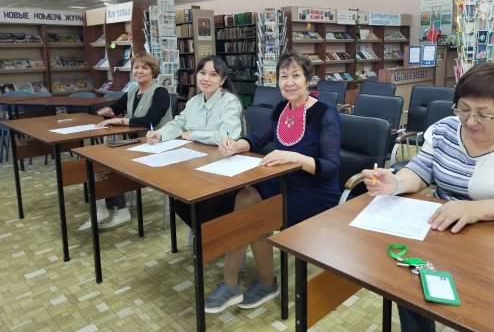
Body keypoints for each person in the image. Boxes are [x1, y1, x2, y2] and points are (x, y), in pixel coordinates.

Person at [362, 63, 494, 332]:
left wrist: (473, 209)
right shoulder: (445, 129)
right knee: (409, 290)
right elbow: (420, 171)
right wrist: (396, 182)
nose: (470, 121)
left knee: (489, 310)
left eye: (484, 115)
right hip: (444, 233)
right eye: (464, 109)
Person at [206, 51, 341, 314]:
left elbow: (331, 168)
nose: (289, 82)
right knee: (245, 198)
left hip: (314, 191)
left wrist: (294, 157)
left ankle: (260, 283)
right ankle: (235, 283)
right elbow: (256, 139)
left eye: (296, 76)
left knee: (256, 215)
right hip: (281, 181)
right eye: (283, 76)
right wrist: (235, 145)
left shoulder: (325, 114)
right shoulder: (281, 109)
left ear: (308, 80)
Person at [78, 52, 172, 231]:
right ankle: (102, 208)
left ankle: (120, 210)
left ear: (153, 71)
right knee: (100, 161)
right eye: (136, 67)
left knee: (114, 163)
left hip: (158, 144)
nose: (139, 71)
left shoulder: (161, 92)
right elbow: (115, 108)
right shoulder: (133, 91)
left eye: (145, 68)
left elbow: (149, 120)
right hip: (137, 142)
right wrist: (107, 111)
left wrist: (119, 120)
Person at [146, 55, 243, 224]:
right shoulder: (193, 102)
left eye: (213, 74)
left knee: (200, 204)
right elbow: (178, 124)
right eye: (202, 73)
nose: (206, 78)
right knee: (180, 200)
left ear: (222, 80)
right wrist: (160, 134)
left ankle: (209, 237)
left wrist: (193, 134)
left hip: (222, 168)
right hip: (197, 164)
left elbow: (226, 136)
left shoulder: (230, 102)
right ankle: (206, 236)